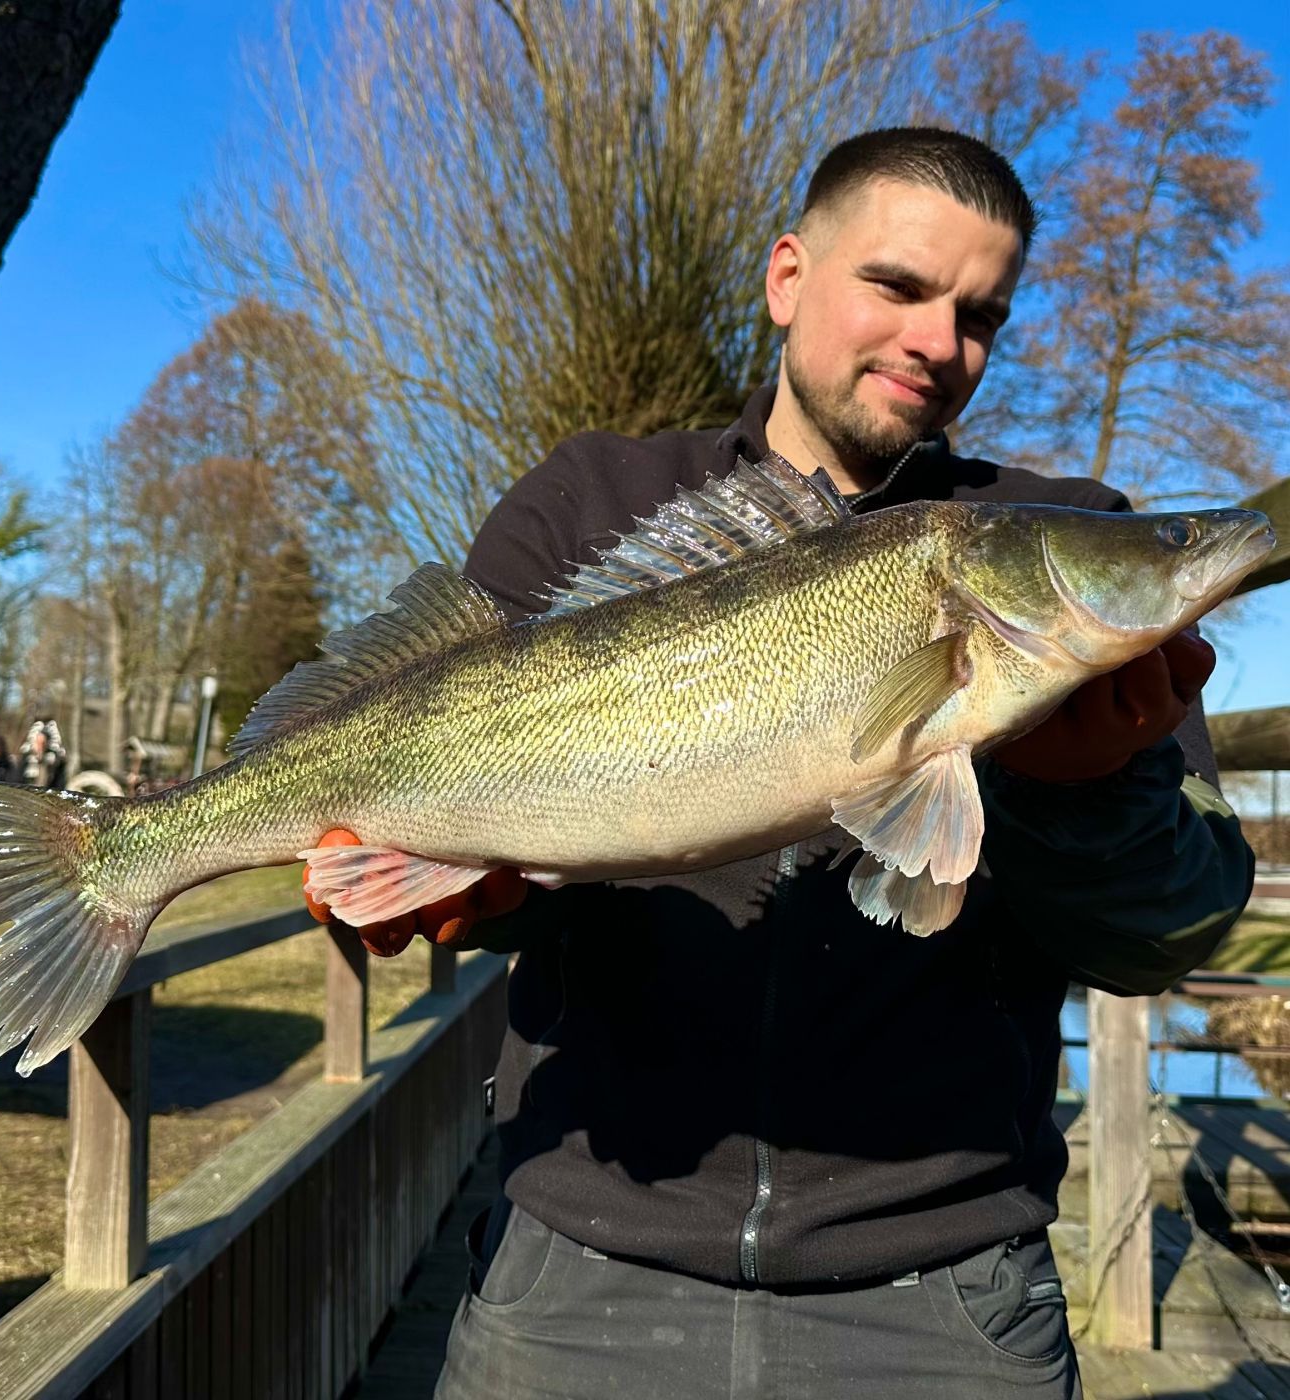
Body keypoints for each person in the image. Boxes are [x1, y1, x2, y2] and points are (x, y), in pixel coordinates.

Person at [307, 128, 1254, 1398]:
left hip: (943, 1300)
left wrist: (1093, 794)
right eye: (899, 287)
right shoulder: (594, 496)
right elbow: (496, 840)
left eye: (979, 315)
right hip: (577, 1276)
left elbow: (1168, 932)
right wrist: (468, 894)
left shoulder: (1061, 526)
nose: (938, 341)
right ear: (785, 277)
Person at [17, 718, 68, 790]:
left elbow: (60, 784)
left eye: (42, 743)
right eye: (37, 743)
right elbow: (17, 781)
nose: (39, 747)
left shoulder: (55, 762)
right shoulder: (26, 759)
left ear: (47, 744)